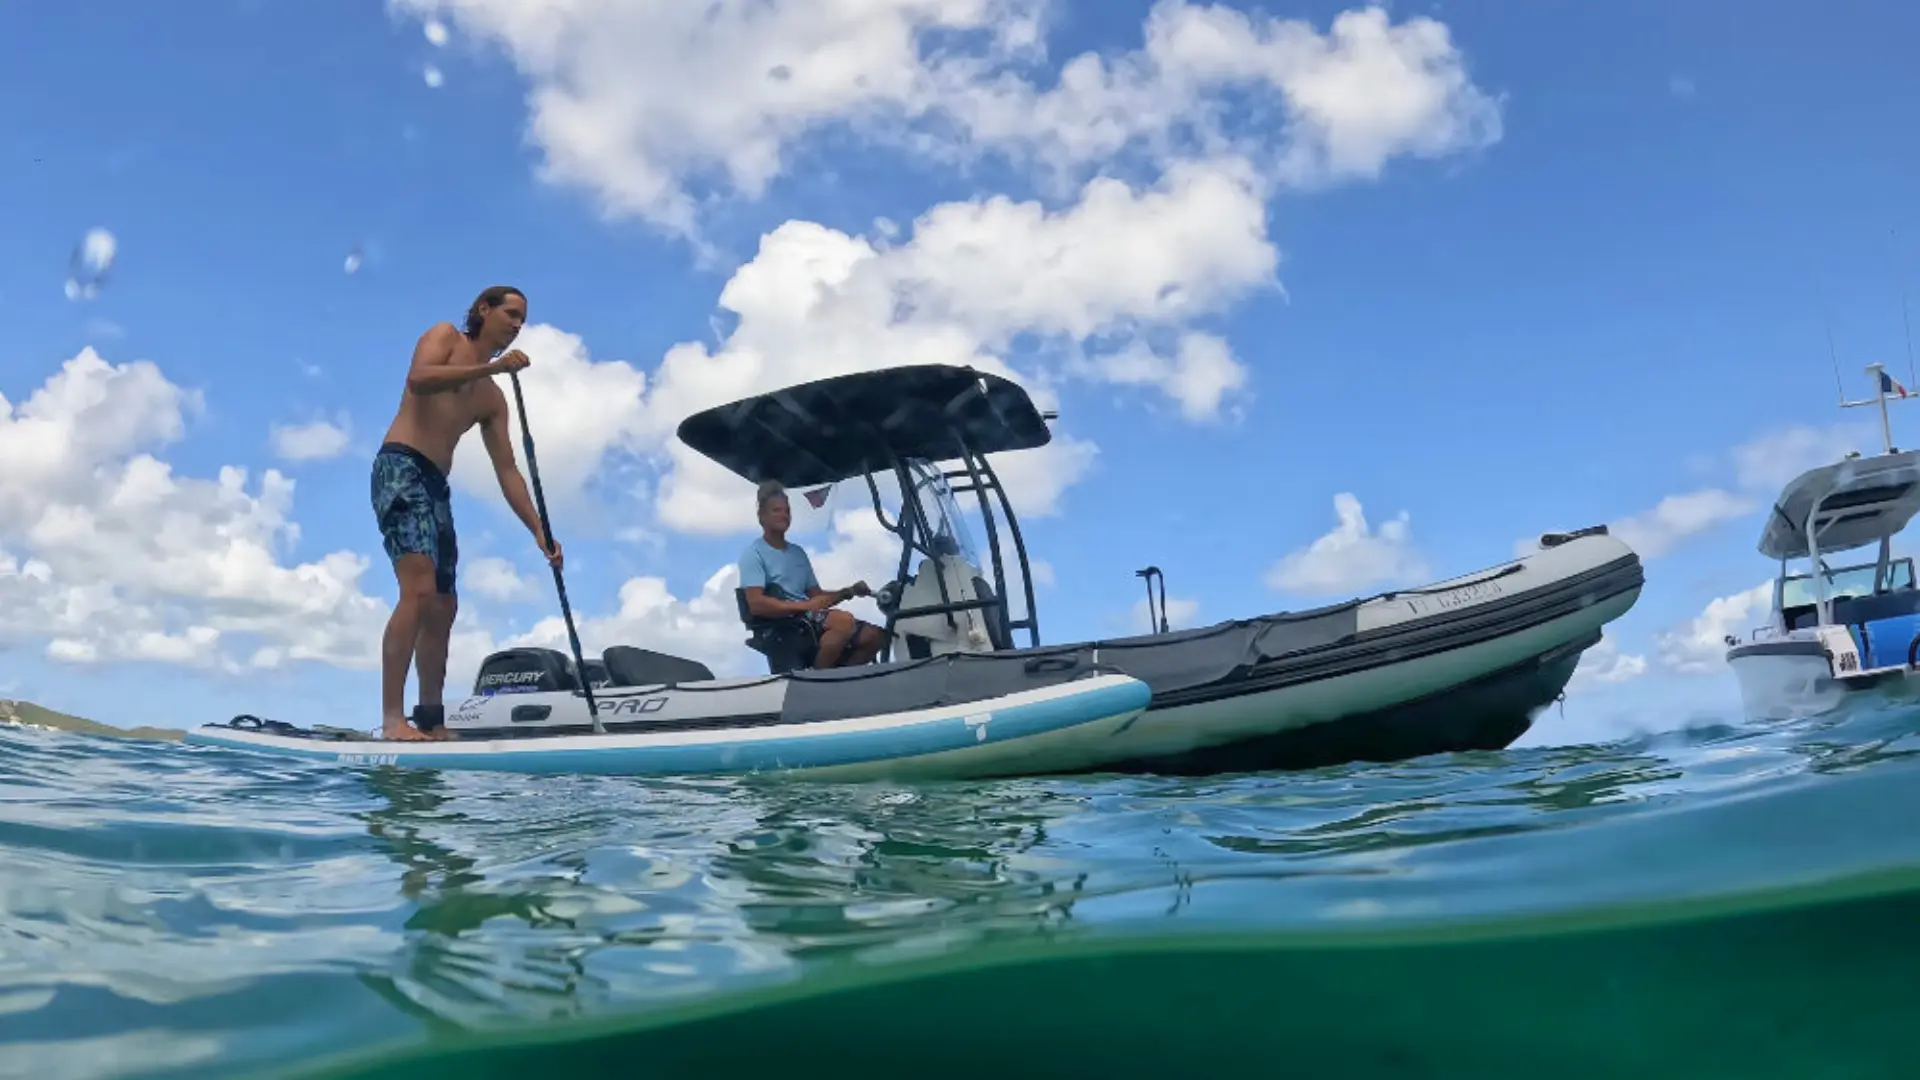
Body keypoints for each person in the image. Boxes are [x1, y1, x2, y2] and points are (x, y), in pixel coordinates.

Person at [371, 285, 562, 741]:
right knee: (416, 591)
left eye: (523, 320)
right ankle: (393, 719)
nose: (517, 326)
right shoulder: (444, 338)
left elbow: (508, 469)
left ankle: (431, 720)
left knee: (444, 605)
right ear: (483, 309)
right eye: (511, 314)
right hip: (400, 466)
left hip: (436, 485)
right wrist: (492, 366)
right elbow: (419, 378)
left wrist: (540, 532)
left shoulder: (491, 398)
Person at [739, 481, 887, 668]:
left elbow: (818, 597)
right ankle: (817, 677)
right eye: (776, 511)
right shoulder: (754, 554)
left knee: (875, 637)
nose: (784, 515)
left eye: (787, 511)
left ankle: (842, 678)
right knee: (844, 622)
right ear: (762, 516)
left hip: (810, 617)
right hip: (789, 624)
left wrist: (849, 591)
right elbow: (756, 605)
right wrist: (806, 605)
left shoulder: (797, 553)